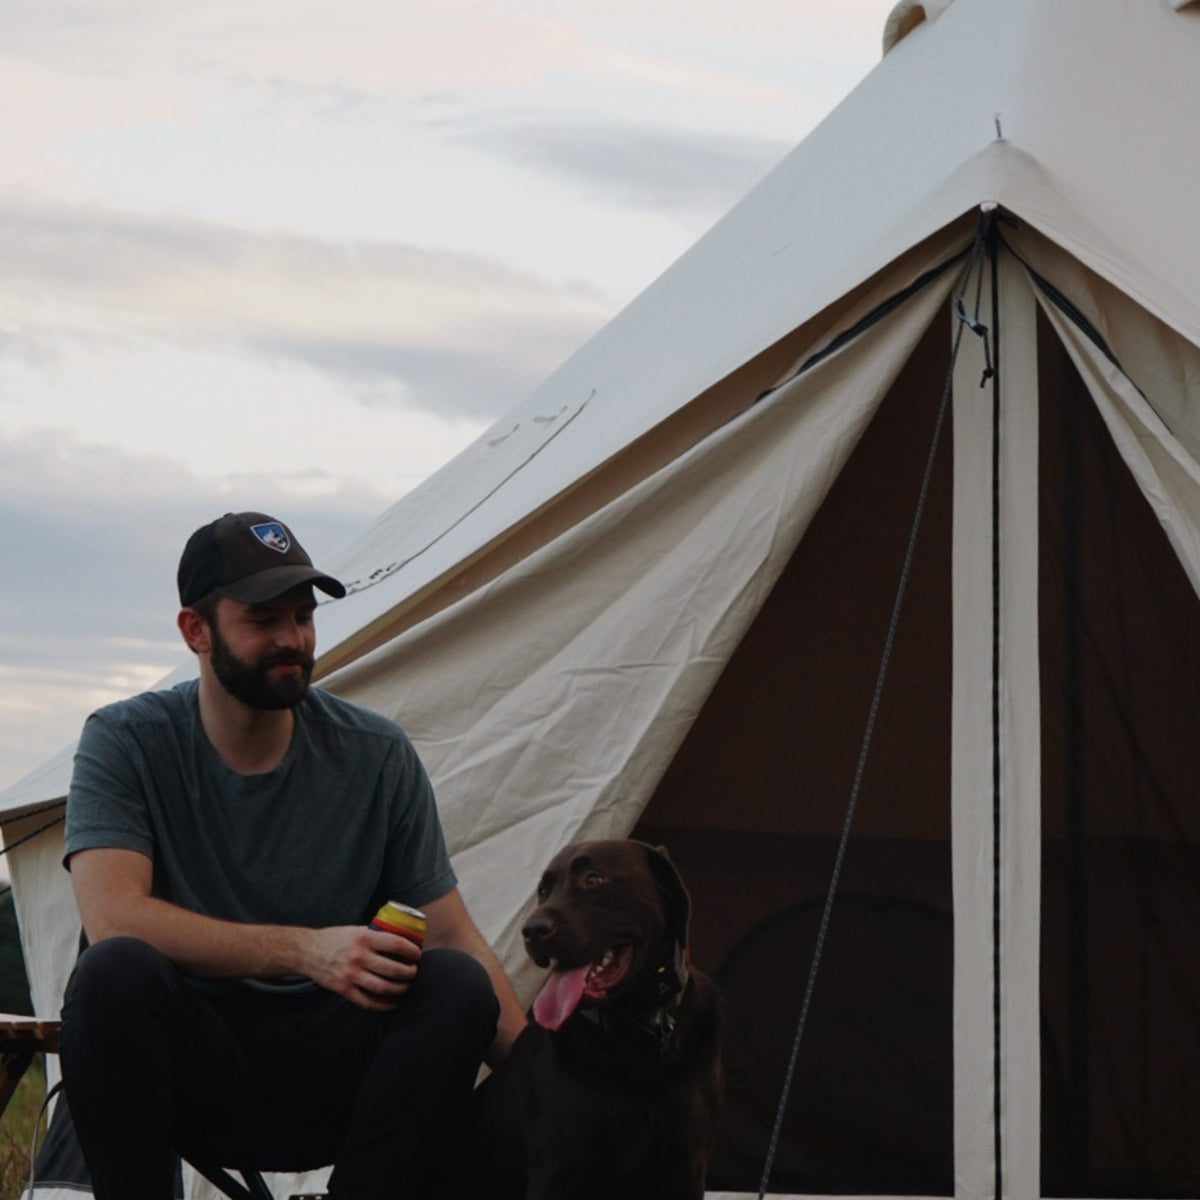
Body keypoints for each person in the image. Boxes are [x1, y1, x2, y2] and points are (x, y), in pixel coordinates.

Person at [59, 511, 527, 1200]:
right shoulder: (126, 741)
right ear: (196, 630)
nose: (292, 639)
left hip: (335, 1077)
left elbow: (456, 934)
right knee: (113, 973)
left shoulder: (377, 753)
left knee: (456, 983)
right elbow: (114, 919)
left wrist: (545, 1079)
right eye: (263, 618)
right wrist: (307, 951)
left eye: (303, 617)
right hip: (194, 1071)